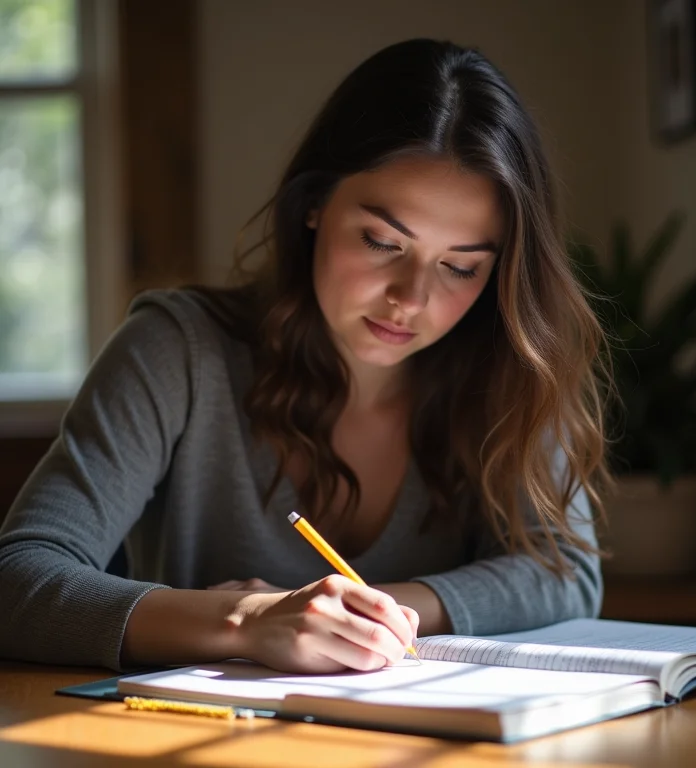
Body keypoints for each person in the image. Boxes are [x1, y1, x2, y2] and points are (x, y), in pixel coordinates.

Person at [0, 38, 609, 675]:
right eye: (381, 242)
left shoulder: (506, 368)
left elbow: (563, 572)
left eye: (460, 267)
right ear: (314, 204)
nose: (411, 298)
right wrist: (247, 623)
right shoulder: (176, 351)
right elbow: (17, 583)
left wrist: (376, 612)